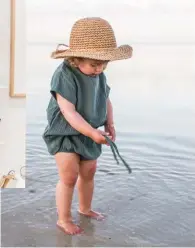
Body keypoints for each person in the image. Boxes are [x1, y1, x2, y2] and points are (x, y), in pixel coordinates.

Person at [42, 17, 133, 235]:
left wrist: (109, 122)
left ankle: (85, 209)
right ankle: (63, 219)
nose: (99, 69)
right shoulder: (64, 75)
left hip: (89, 130)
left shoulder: (98, 74)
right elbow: (68, 112)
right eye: (94, 64)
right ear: (76, 59)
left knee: (89, 171)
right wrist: (93, 133)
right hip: (64, 131)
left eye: (103, 64)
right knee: (69, 175)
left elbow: (105, 99)